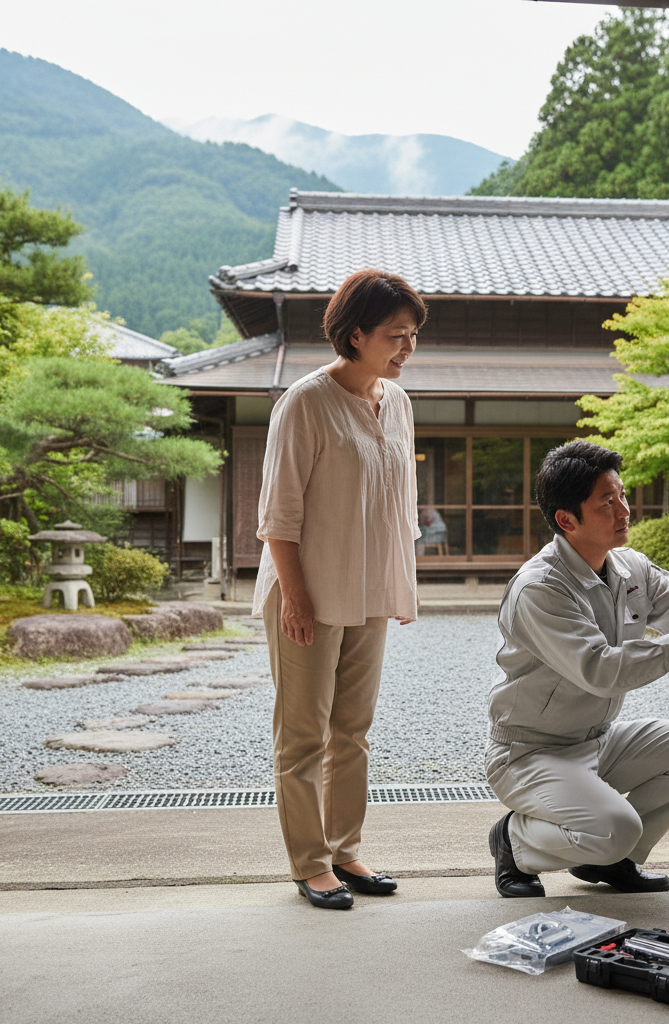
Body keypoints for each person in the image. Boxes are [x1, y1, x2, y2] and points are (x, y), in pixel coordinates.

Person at [485, 440, 669, 898]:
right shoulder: (539, 589)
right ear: (566, 520)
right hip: (530, 753)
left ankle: (611, 861)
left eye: (622, 495)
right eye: (607, 502)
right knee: (616, 827)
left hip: (596, 739)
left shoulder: (628, 566)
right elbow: (600, 670)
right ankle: (514, 841)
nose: (624, 510)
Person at [253, 269, 427, 910]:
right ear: (356, 334)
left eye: (413, 335)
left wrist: (398, 585)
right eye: (396, 335)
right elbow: (278, 515)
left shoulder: (398, 402)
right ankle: (310, 863)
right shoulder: (304, 402)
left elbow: (400, 506)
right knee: (304, 735)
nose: (407, 347)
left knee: (353, 729)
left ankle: (345, 850)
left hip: (367, 589)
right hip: (307, 590)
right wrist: (296, 598)